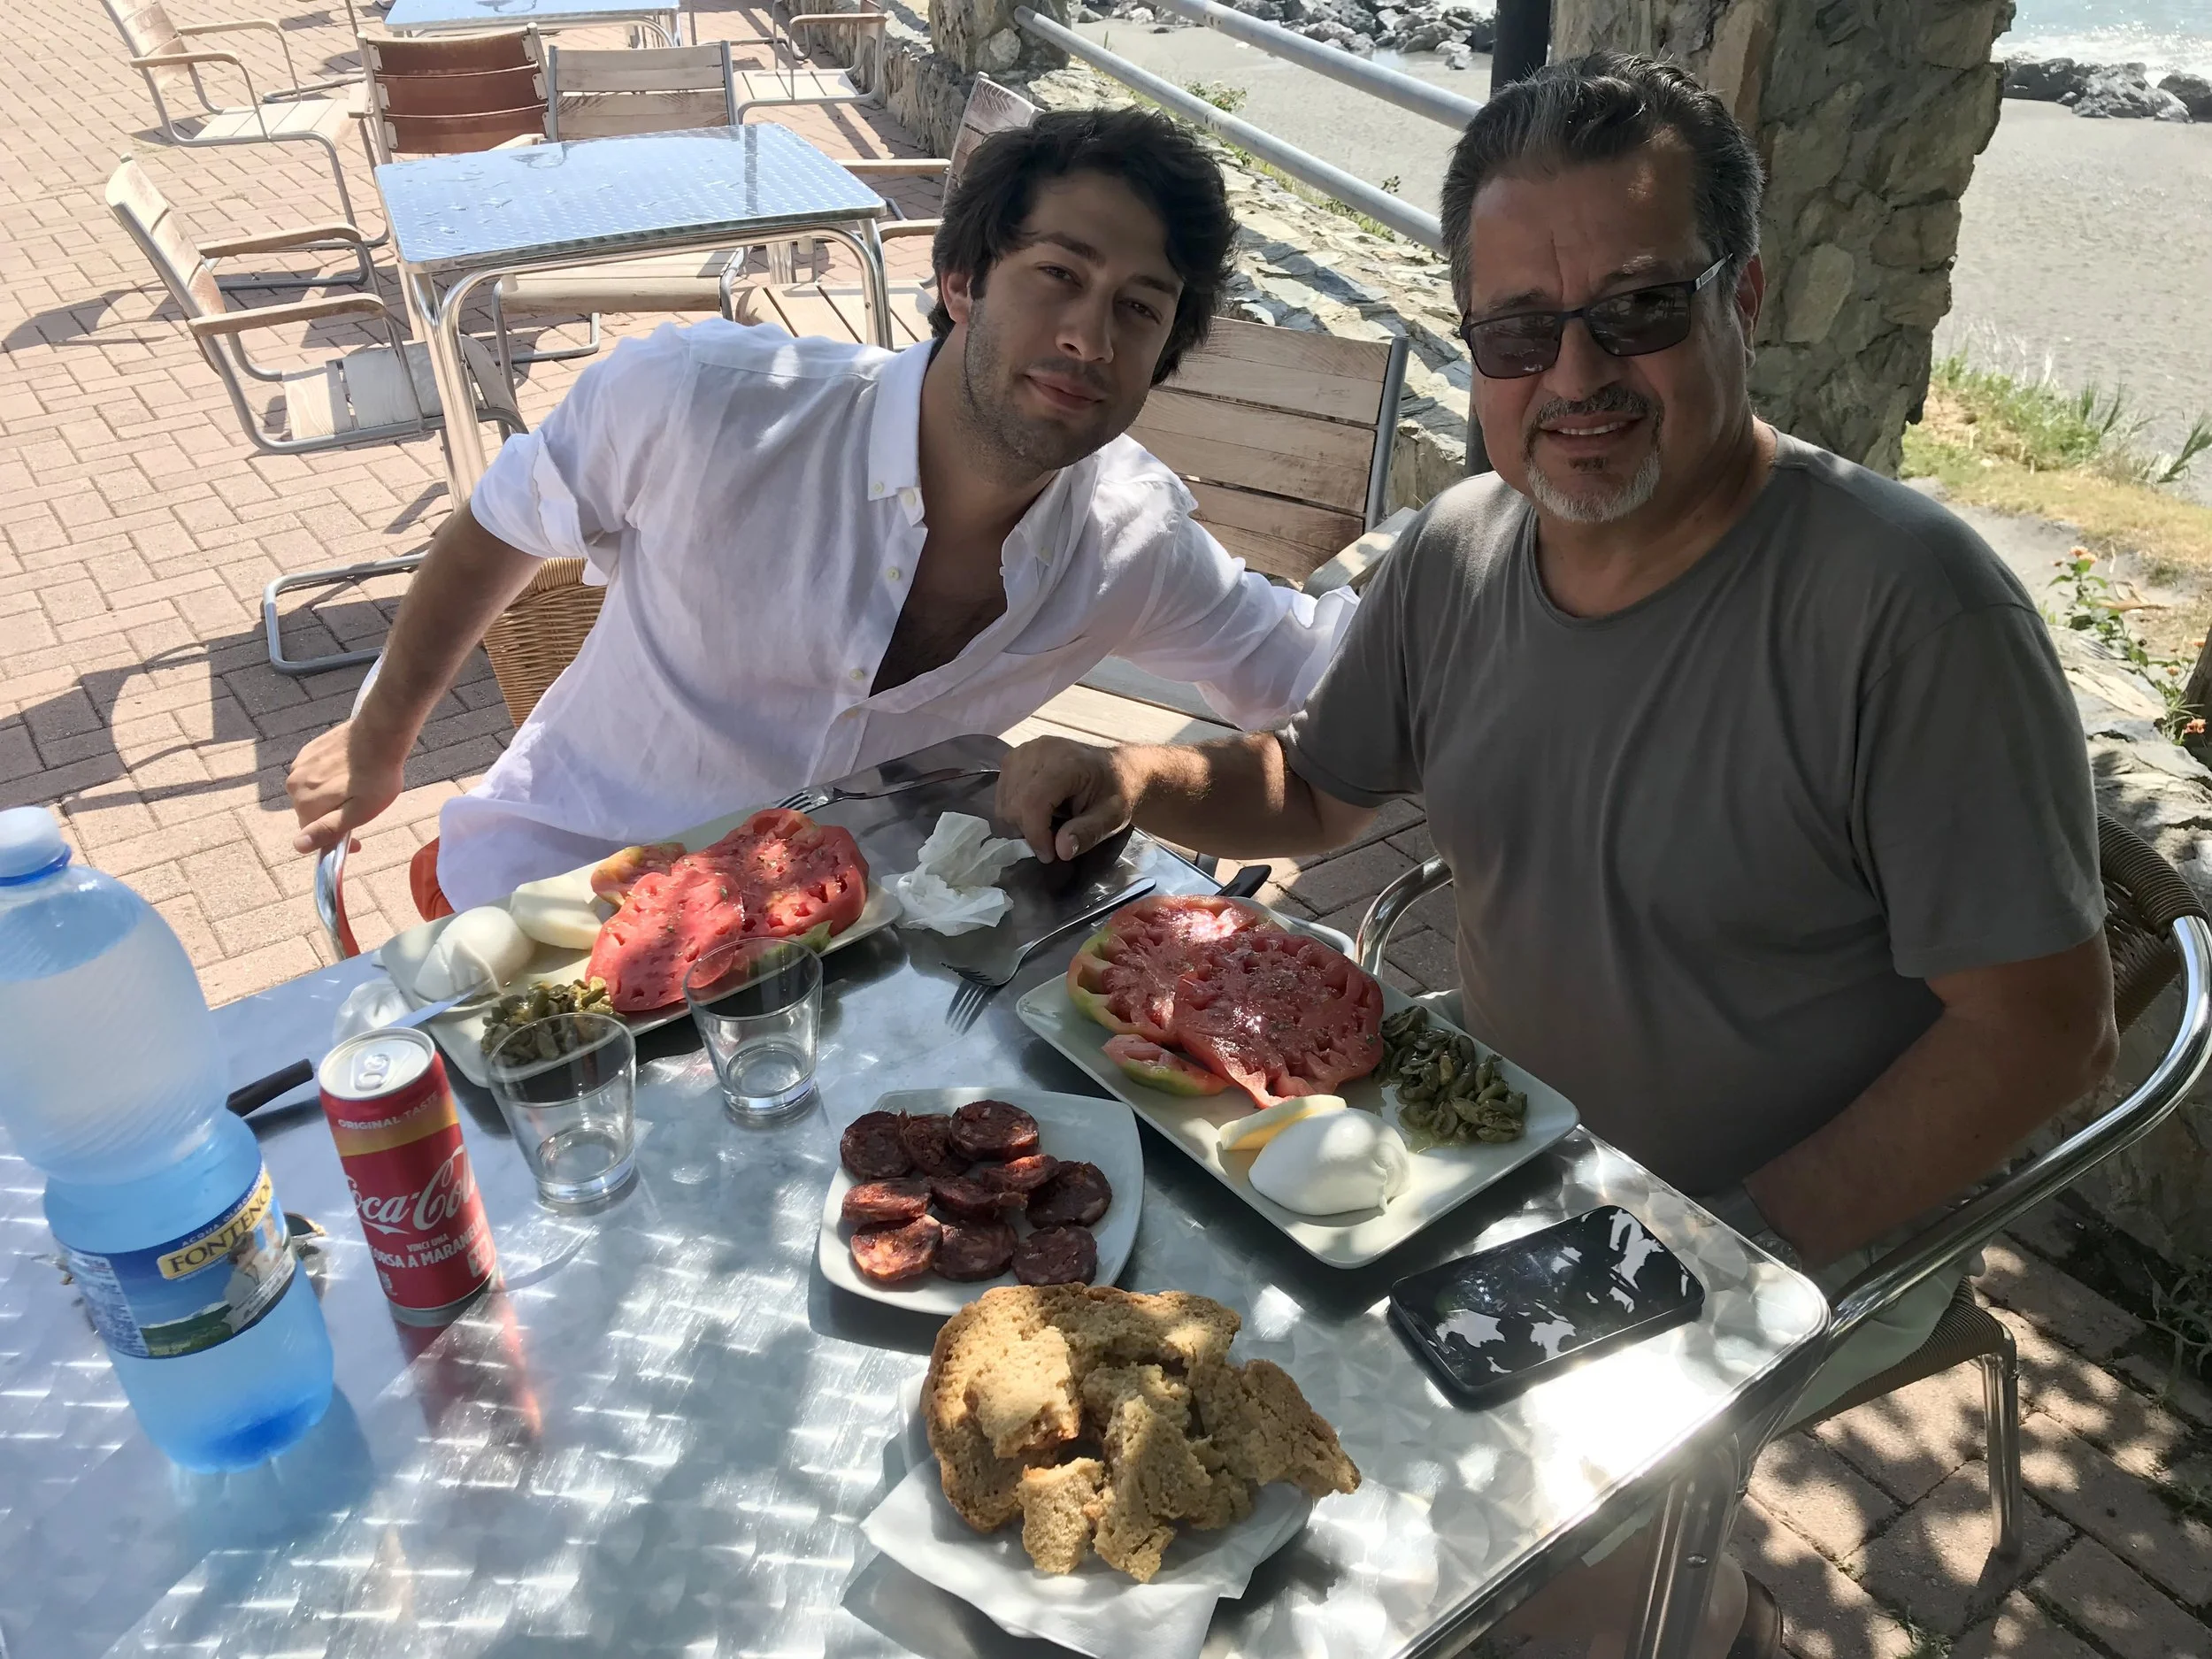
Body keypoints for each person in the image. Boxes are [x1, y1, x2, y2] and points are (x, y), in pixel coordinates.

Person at [995, 53, 2115, 1659]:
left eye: (1638, 310)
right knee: (1141, 1410)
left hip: (1790, 1235)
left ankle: (1709, 1621)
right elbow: (1316, 792)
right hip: (1482, 1170)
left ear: (1746, 293)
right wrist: (1133, 771)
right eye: (1518, 332)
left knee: (1479, 1594)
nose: (1574, 373)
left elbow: (2040, 1028)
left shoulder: (1913, 609)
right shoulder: (1465, 548)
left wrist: (1721, 1251)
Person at [286, 109, 1356, 912]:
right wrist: (381, 736)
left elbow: (1320, 685)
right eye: (1056, 275)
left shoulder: (1133, 539)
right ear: (962, 282)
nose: (1090, 336)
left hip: (836, 953)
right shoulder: (705, 402)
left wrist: (1484, 576)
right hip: (559, 891)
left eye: (1138, 307)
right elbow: (501, 522)